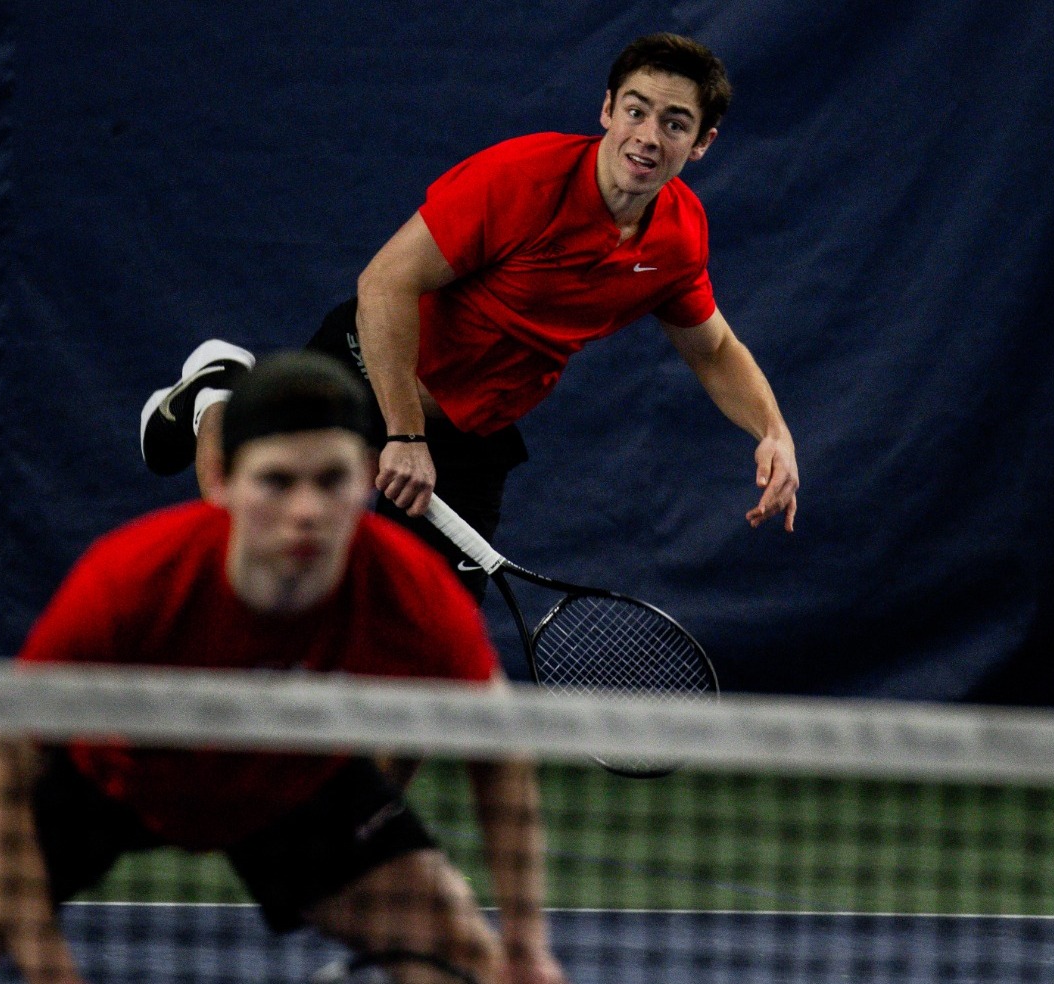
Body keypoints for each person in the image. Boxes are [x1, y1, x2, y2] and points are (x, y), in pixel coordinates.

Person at [0, 352, 567, 984]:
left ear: (367, 479)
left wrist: (527, 945)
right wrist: (48, 969)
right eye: (276, 482)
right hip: (111, 779)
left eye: (332, 480)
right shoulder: (133, 579)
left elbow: (497, 745)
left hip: (291, 783)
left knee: (463, 956)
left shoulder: (404, 584)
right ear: (223, 482)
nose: (306, 513)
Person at [139, 33, 798, 598]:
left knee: (428, 631)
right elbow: (385, 282)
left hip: (471, 429)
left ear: (702, 142)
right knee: (249, 542)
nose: (648, 136)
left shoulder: (678, 236)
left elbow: (711, 349)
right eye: (636, 110)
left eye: (674, 123)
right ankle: (217, 402)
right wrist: (401, 434)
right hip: (370, 367)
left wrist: (772, 431)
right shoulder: (520, 180)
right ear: (607, 110)